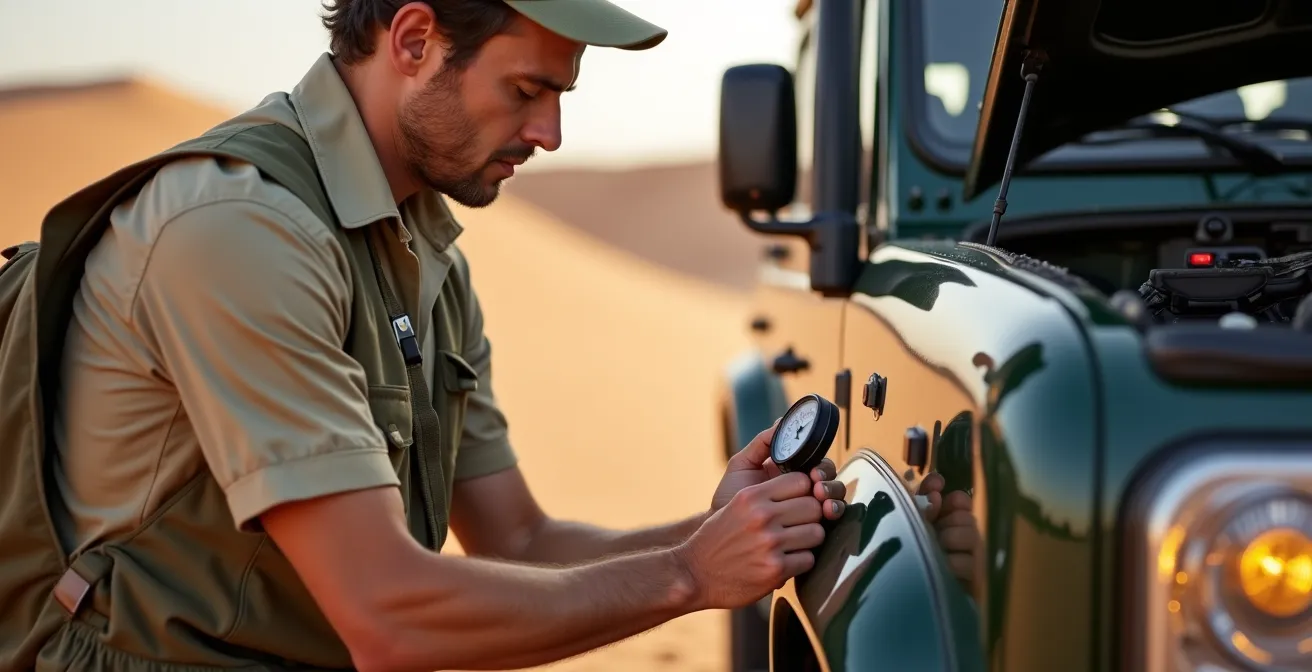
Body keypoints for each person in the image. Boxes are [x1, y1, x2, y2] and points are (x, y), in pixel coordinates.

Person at [37, 2, 861, 671]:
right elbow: (388, 617)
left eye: (561, 97)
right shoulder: (240, 234)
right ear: (415, 40)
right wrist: (687, 576)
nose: (551, 133)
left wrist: (711, 530)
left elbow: (521, 542)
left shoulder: (420, 251)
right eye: (527, 90)